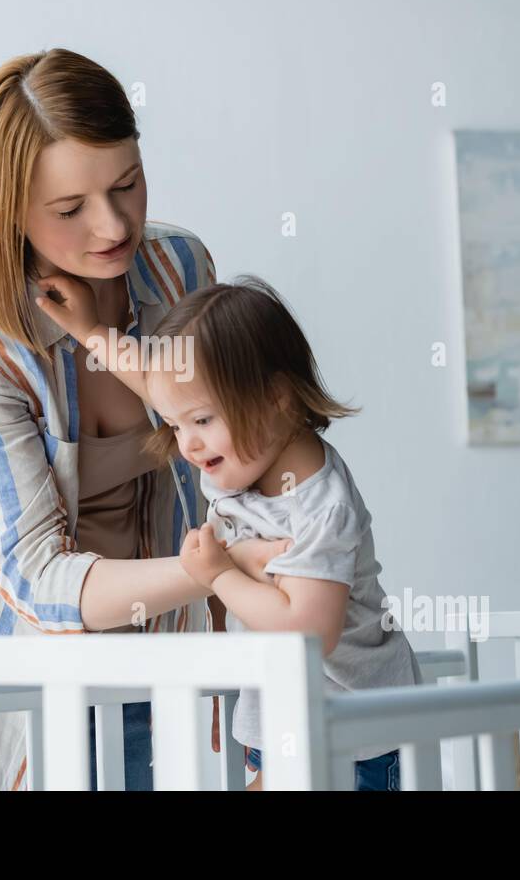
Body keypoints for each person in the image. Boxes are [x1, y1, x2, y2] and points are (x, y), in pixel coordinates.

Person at [0, 48, 289, 790]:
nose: (112, 224)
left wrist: (250, 694)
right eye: (70, 209)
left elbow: (228, 472)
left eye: (127, 184)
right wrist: (207, 574)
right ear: (4, 210)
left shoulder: (180, 270)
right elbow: (34, 575)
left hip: (136, 673)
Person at [35, 273, 421, 790]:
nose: (188, 445)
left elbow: (309, 633)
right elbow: (154, 382)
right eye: (176, 426)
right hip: (282, 723)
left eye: (201, 421)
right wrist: (91, 330)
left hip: (349, 733)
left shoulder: (317, 506)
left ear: (279, 401)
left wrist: (218, 573)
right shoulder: (240, 454)